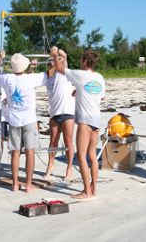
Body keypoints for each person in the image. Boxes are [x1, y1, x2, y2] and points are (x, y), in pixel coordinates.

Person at [51, 47, 105, 199]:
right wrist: (80, 91)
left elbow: (60, 68)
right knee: (92, 155)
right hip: (96, 120)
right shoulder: (99, 77)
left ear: (85, 62)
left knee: (81, 156)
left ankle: (86, 191)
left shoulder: (80, 74)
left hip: (85, 121)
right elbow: (101, 97)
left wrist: (55, 55)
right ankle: (94, 188)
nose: (80, 62)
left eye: (81, 59)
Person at [0, 51, 47, 192]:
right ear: (24, 66)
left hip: (14, 120)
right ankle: (28, 184)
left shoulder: (7, 78)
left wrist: (0, 59)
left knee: (15, 153)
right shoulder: (31, 78)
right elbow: (50, 72)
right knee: (30, 152)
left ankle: (15, 184)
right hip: (28, 120)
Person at [44, 57, 75, 180]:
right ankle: (50, 165)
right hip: (54, 113)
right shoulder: (47, 78)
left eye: (53, 63)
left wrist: (57, 54)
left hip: (67, 112)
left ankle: (69, 167)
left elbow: (64, 56)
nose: (51, 65)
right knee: (53, 141)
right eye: (49, 64)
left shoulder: (64, 73)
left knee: (68, 141)